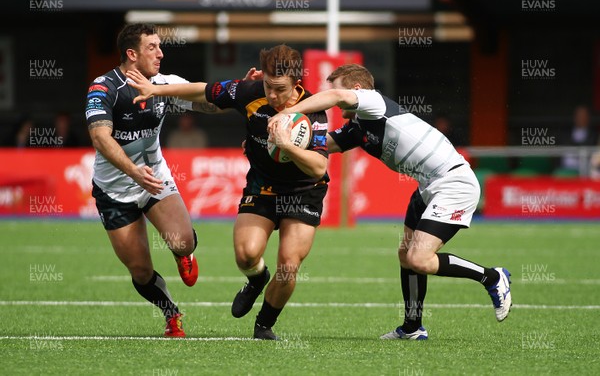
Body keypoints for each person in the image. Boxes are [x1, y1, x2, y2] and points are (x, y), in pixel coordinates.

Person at [271, 64, 512, 340]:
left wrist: (287, 113)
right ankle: (412, 328)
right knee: (406, 255)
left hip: (454, 183)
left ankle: (492, 277)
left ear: (357, 90)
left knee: (419, 259)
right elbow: (320, 145)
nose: (335, 101)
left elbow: (337, 97)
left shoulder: (374, 102)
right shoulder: (356, 129)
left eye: (338, 89)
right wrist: (278, 142)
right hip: (427, 186)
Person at [126, 44, 329, 340]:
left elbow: (319, 168)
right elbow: (203, 90)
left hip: (304, 192)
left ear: (297, 84)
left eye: (280, 89)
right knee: (246, 255)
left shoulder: (314, 110)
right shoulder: (249, 92)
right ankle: (256, 279)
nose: (272, 95)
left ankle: (264, 324)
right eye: (268, 87)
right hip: (263, 187)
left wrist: (286, 145)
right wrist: (157, 90)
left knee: (288, 267)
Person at [85, 23, 199, 338]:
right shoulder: (104, 87)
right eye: (153, 47)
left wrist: (239, 90)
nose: (161, 53)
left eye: (160, 46)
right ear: (132, 54)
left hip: (156, 179)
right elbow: (99, 136)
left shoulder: (165, 84)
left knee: (183, 240)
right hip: (114, 190)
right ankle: (171, 313)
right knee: (140, 270)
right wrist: (133, 171)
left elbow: (207, 101)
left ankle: (184, 252)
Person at [559, 105, 598, 172]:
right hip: (566, 170)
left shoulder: (595, 136)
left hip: (586, 170)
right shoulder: (565, 134)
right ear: (574, 117)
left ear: (588, 118)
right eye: (579, 115)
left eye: (584, 116)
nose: (581, 118)